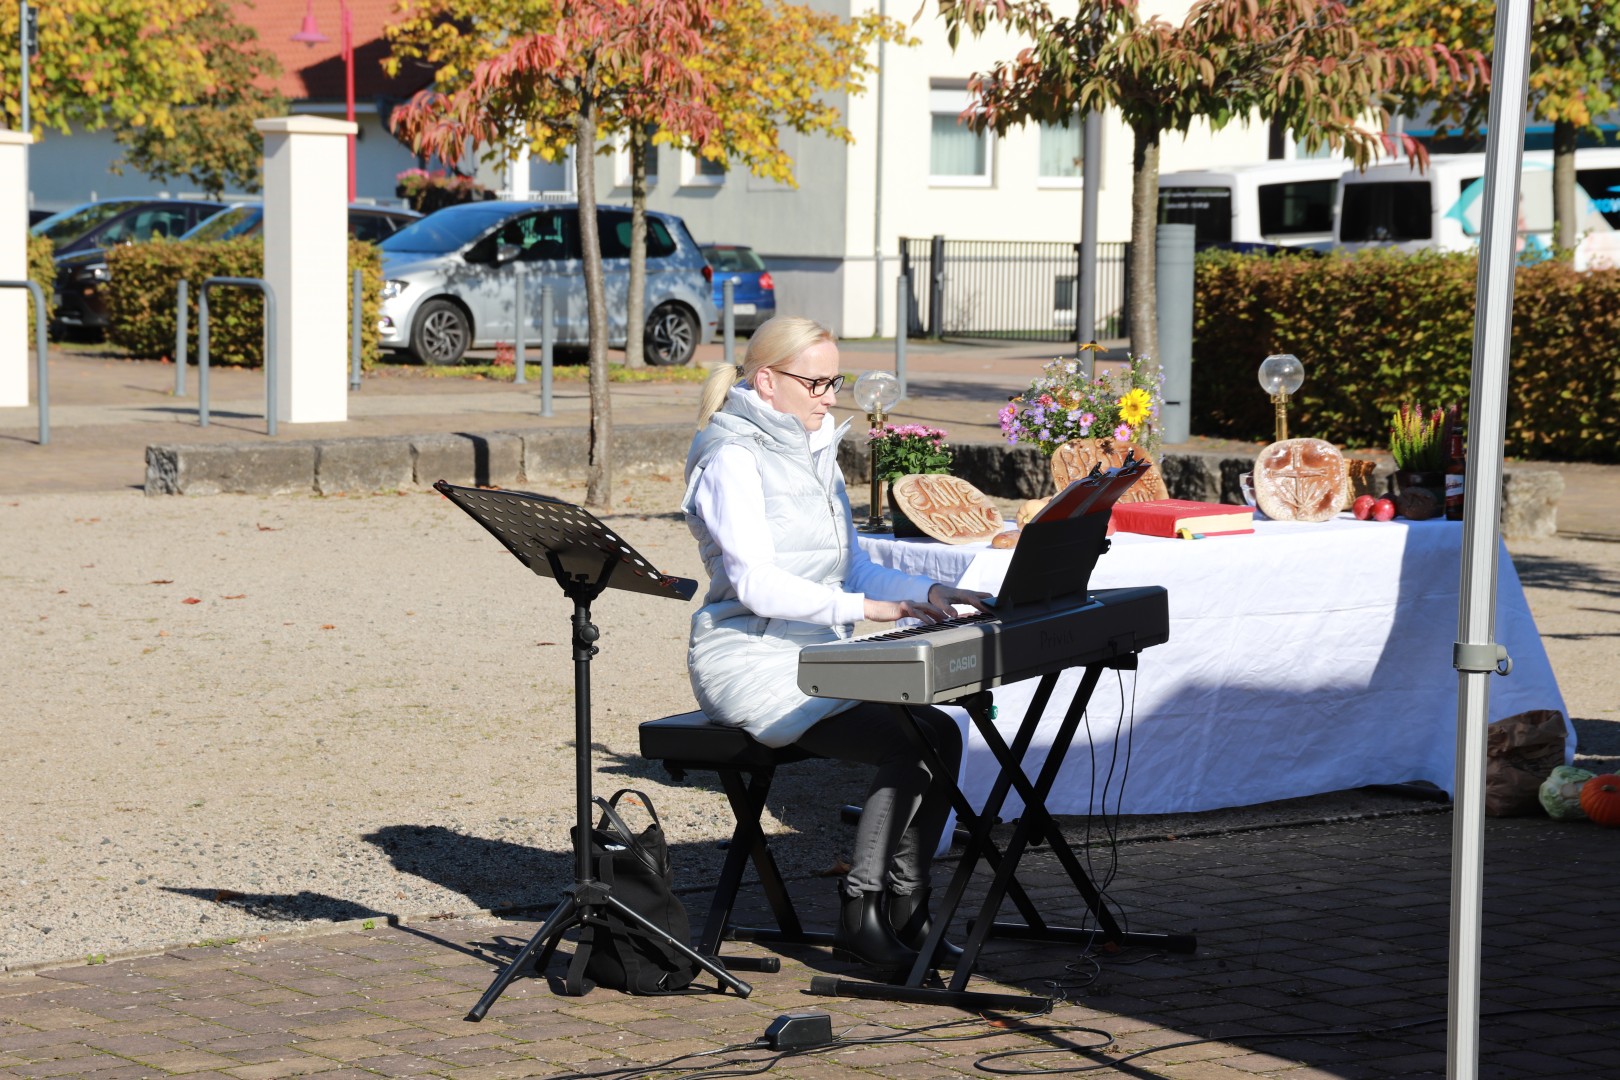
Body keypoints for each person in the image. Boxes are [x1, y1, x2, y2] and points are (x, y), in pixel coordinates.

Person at [682, 315, 991, 979]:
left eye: (835, 380)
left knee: (939, 731)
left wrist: (925, 594)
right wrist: (868, 611)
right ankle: (861, 914)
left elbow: (849, 566)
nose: (829, 395)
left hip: (814, 651)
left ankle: (907, 912)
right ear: (766, 381)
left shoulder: (811, 443)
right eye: (816, 381)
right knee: (914, 735)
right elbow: (757, 585)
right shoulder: (729, 455)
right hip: (751, 657)